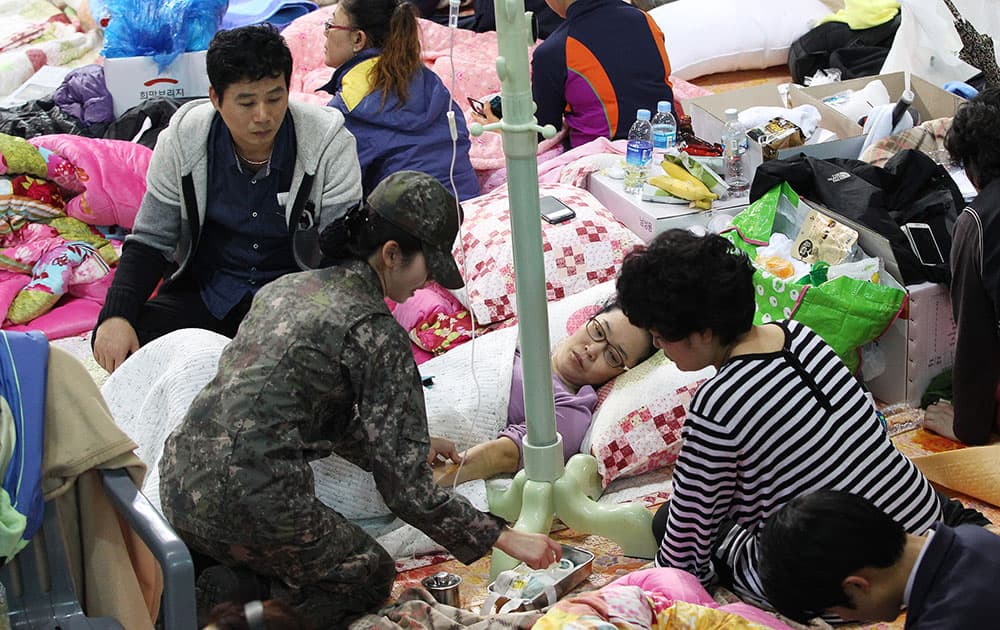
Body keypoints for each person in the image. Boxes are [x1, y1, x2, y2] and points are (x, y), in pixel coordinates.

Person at [158, 171, 561, 626]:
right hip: (251, 497)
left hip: (178, 478)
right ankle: (241, 605)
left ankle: (223, 578)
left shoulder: (286, 289)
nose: (427, 284)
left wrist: (410, 443)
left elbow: (300, 412)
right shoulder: (376, 333)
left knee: (283, 544)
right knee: (367, 574)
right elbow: (407, 491)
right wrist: (503, 537)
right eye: (426, 267)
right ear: (392, 254)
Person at [615, 229, 942, 606]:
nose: (657, 347)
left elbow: (684, 552)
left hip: (845, 587)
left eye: (660, 336)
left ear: (703, 333)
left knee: (670, 521)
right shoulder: (801, 335)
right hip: (920, 529)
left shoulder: (717, 406)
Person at [92, 25, 362, 374]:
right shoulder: (183, 139)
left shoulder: (329, 143)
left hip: (295, 300)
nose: (263, 115)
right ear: (215, 98)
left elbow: (344, 255)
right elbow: (149, 241)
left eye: (275, 97)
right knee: (129, 346)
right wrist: (116, 313)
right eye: (246, 102)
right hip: (208, 293)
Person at [434, 301, 655, 485]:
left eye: (613, 356)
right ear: (587, 321)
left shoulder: (571, 411)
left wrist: (414, 482)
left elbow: (499, 456)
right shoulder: (513, 345)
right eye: (598, 331)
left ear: (620, 373)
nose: (593, 350)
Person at [757, 489, 1000, 627]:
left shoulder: (944, 621)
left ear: (856, 585)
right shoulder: (974, 536)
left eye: (835, 610)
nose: (843, 618)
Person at [321, 0, 480, 200]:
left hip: (412, 223)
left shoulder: (347, 108)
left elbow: (338, 188)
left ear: (358, 40)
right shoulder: (428, 80)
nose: (325, 33)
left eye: (330, 26)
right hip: (468, 201)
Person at [922, 88, 1000, 445]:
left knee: (934, 391)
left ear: (971, 168)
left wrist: (967, 427)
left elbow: (975, 337)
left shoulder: (980, 221)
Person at [526, 0, 675, 148]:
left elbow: (544, 131)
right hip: (667, 146)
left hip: (602, 160)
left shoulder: (554, 50)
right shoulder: (645, 19)